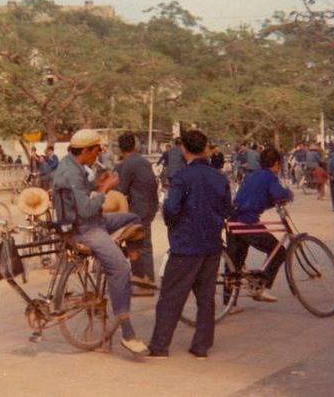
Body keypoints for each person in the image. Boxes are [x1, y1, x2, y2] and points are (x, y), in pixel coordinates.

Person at [52, 129, 148, 355]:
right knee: (120, 270)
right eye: (96, 150)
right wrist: (105, 189)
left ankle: (125, 259)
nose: (98, 154)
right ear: (85, 150)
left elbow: (82, 197)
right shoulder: (71, 173)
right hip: (85, 229)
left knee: (134, 219)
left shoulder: (72, 165)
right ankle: (127, 332)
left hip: (95, 221)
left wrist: (97, 185)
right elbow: (85, 209)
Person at [148, 130, 231, 359]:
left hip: (185, 244)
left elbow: (171, 208)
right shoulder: (219, 178)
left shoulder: (182, 178)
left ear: (183, 149)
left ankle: (159, 345)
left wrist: (173, 225)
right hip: (212, 244)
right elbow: (226, 209)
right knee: (206, 298)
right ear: (206, 147)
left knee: (171, 297)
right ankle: (201, 346)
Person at [228, 147, 293, 303]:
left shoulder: (252, 175)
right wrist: (289, 194)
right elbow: (278, 194)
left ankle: (230, 302)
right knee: (279, 252)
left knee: (234, 263)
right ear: (277, 163)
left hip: (233, 220)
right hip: (248, 222)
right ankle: (260, 286)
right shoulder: (270, 177)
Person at [116, 132, 159, 296]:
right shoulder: (143, 162)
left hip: (137, 210)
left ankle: (144, 283)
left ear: (120, 149)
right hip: (149, 207)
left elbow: (121, 190)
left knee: (137, 245)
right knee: (145, 245)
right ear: (135, 145)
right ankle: (147, 280)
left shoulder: (127, 164)